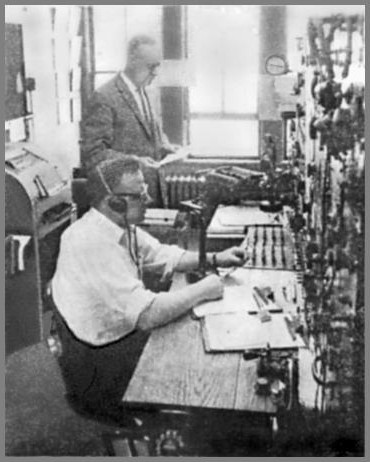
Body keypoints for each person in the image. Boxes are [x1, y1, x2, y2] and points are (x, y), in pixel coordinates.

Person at [51, 155, 246, 422]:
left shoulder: (117, 225)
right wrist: (205, 288)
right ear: (114, 202)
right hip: (100, 369)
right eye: (140, 195)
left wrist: (216, 258)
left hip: (119, 339)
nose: (149, 200)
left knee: (199, 344)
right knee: (203, 376)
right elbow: (148, 315)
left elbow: (162, 254)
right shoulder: (90, 242)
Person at [80, 34, 174, 205]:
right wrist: (134, 161)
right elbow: (93, 154)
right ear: (132, 61)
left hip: (152, 191)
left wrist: (164, 145)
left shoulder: (146, 92)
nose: (156, 73)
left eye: (157, 66)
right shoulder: (104, 97)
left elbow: (149, 135)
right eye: (151, 66)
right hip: (123, 199)